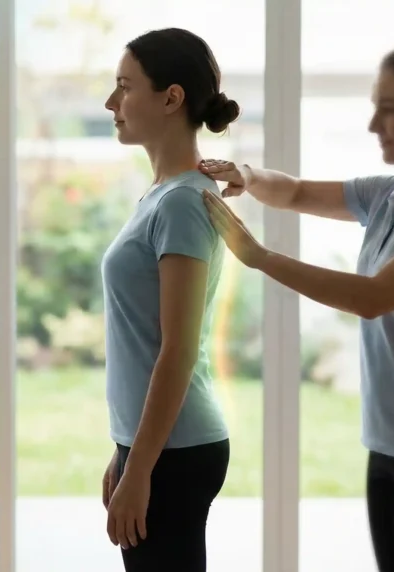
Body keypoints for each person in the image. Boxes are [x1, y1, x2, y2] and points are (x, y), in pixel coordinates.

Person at [199, 42, 394, 572]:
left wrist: (260, 257)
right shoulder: (389, 196)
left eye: (389, 108)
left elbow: (373, 298)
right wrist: (246, 176)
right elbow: (293, 193)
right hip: (388, 441)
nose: (373, 124)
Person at [100, 27, 236, 572]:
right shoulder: (162, 195)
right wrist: (125, 450)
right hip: (158, 447)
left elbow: (177, 350)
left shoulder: (181, 202)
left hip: (176, 453)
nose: (112, 102)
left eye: (125, 86)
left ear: (171, 98)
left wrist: (141, 471)